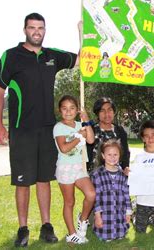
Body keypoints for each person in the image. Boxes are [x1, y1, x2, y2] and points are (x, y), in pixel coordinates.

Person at [0, 13, 79, 247]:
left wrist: (83, 34)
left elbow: (83, 60)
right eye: (32, 28)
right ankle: (23, 228)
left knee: (44, 180)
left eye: (40, 28)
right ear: (25, 30)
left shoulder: (52, 56)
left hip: (48, 130)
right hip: (22, 130)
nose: (36, 32)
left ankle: (46, 226)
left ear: (45, 30)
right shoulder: (10, 56)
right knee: (23, 181)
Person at [53, 95, 95, 244]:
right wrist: (78, 137)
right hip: (65, 168)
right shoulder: (59, 127)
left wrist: (87, 121)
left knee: (91, 194)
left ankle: (82, 219)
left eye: (72, 108)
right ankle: (71, 234)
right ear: (60, 111)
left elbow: (90, 140)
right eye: (64, 108)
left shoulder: (80, 124)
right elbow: (64, 148)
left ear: (77, 110)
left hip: (79, 166)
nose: (68, 111)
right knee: (69, 202)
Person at [91, 139, 132, 241]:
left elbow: (126, 194)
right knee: (105, 234)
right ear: (103, 156)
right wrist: (97, 216)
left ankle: (119, 233)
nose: (112, 158)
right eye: (109, 155)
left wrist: (128, 212)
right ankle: (104, 232)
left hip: (119, 212)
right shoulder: (97, 174)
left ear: (119, 156)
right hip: (105, 213)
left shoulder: (122, 174)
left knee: (121, 233)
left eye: (115, 155)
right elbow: (96, 198)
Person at [86, 97, 130, 175]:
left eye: (109, 110)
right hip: (95, 176)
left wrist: (125, 167)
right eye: (102, 111)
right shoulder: (91, 130)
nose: (107, 114)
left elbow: (125, 153)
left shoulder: (120, 131)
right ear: (97, 114)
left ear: (113, 112)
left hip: (116, 176)